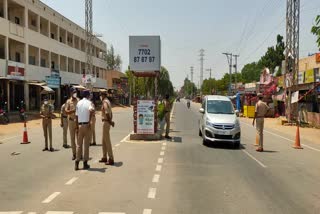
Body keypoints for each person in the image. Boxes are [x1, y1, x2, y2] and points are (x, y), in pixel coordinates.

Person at [75, 90, 94, 170]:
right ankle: (85, 163)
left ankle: (77, 162)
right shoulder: (89, 103)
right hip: (86, 125)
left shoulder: (78, 103)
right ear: (88, 95)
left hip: (79, 125)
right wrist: (90, 121)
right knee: (86, 145)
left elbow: (76, 115)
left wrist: (76, 127)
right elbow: (91, 110)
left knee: (79, 145)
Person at [99, 91, 115, 165]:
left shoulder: (105, 102)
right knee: (103, 140)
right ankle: (104, 156)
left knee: (107, 141)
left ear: (103, 95)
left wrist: (110, 121)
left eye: (101, 95)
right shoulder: (107, 101)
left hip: (106, 122)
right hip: (106, 122)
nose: (100, 97)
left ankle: (111, 158)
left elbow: (107, 113)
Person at [65, 88, 79, 160]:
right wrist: (73, 110)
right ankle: (74, 154)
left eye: (75, 92)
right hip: (71, 121)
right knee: (72, 139)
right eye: (73, 92)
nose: (75, 93)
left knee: (79, 139)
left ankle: (79, 154)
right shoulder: (68, 101)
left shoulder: (79, 100)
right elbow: (66, 111)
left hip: (78, 122)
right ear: (71, 93)